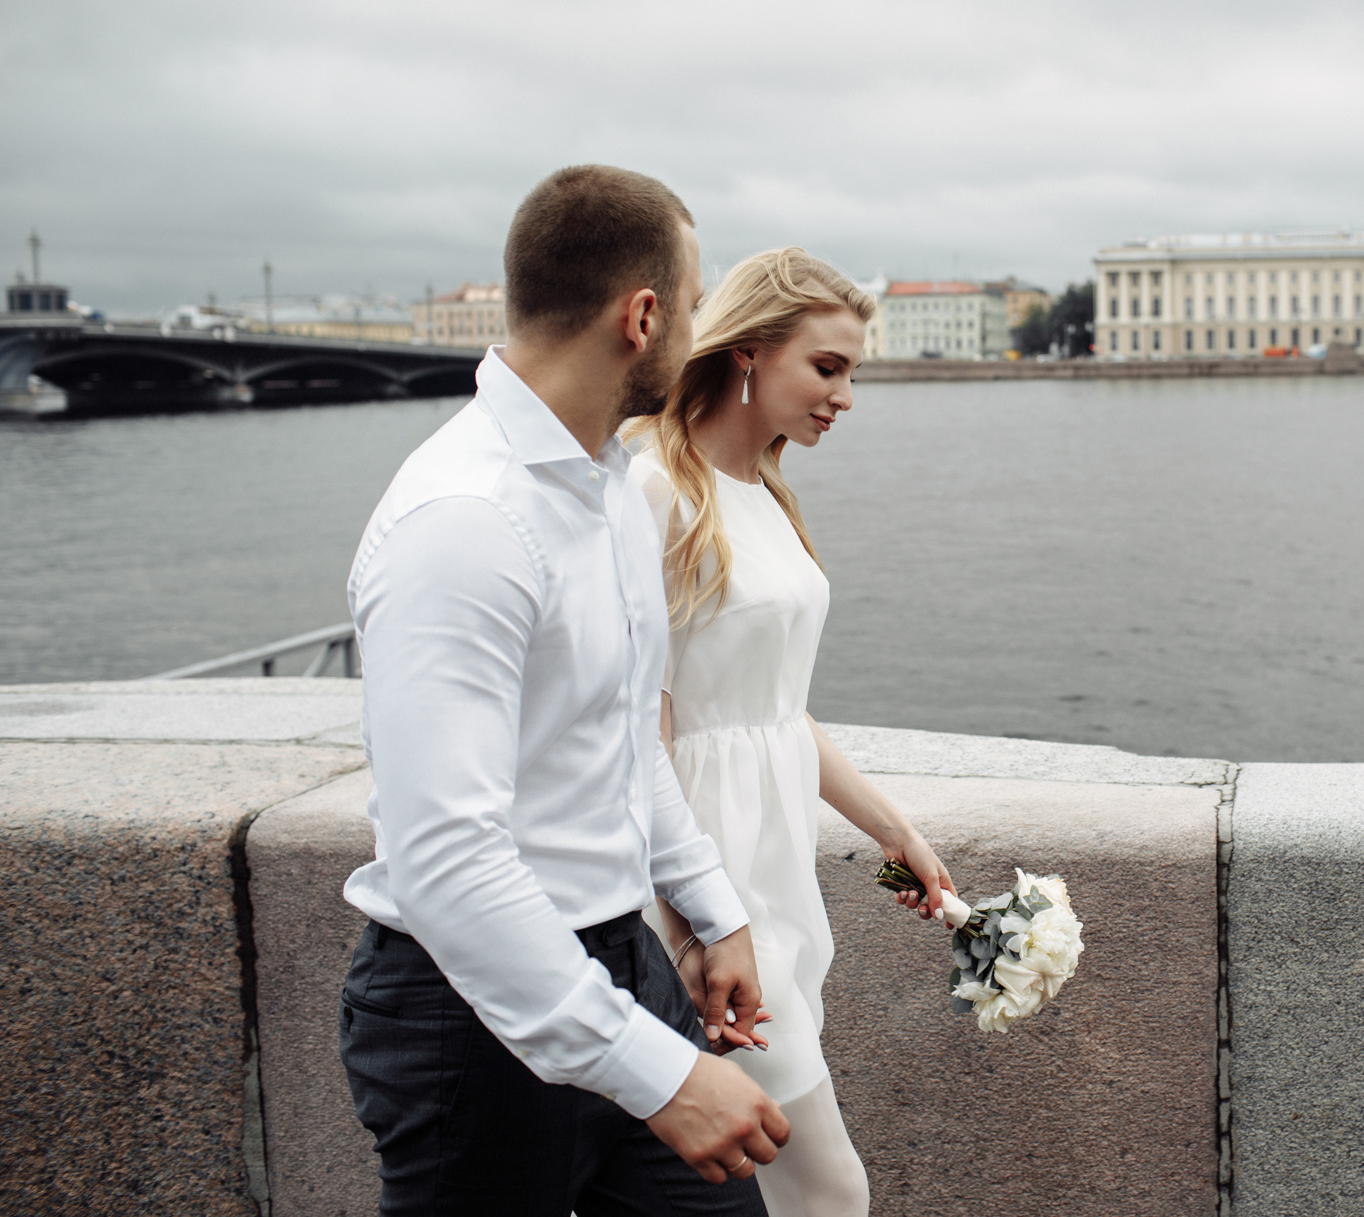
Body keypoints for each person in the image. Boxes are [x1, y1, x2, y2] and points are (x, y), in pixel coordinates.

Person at [338, 165, 788, 1216]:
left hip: (620, 960)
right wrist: (663, 1074)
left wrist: (710, 909)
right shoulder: (464, 519)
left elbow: (621, 736)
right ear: (643, 316)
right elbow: (446, 859)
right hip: (468, 1014)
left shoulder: (609, 486)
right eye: (693, 305)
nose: (697, 332)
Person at [628, 248, 955, 1217]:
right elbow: (644, 730)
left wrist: (890, 827)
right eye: (827, 367)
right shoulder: (657, 491)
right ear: (748, 351)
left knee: (767, 1188)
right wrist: (688, 922)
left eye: (851, 371)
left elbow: (772, 713)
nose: (845, 396)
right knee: (825, 1185)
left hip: (771, 875)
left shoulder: (765, 493)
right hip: (708, 883)